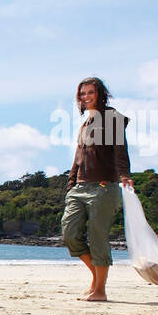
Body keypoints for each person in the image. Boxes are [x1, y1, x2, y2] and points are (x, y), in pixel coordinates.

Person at [61, 77, 132, 302]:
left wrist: (124, 175)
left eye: (90, 92)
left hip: (103, 187)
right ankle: (96, 277)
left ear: (100, 94)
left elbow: (120, 149)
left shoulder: (112, 118)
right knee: (70, 233)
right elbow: (78, 157)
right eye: (82, 94)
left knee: (97, 237)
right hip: (80, 187)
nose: (86, 97)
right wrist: (71, 184)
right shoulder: (85, 123)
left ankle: (100, 290)